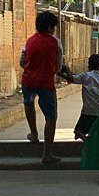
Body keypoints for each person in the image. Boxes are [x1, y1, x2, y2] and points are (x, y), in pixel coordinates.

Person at [19, 10, 64, 164]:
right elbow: (58, 66)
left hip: (28, 82)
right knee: (51, 117)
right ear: (51, 27)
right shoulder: (55, 42)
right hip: (46, 84)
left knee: (29, 104)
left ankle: (33, 133)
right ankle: (47, 154)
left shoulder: (29, 41)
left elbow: (22, 61)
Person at [61, 54, 99, 140]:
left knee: (78, 131)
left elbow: (71, 79)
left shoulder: (86, 77)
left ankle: (88, 142)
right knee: (96, 132)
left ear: (88, 65)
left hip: (88, 111)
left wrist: (61, 73)